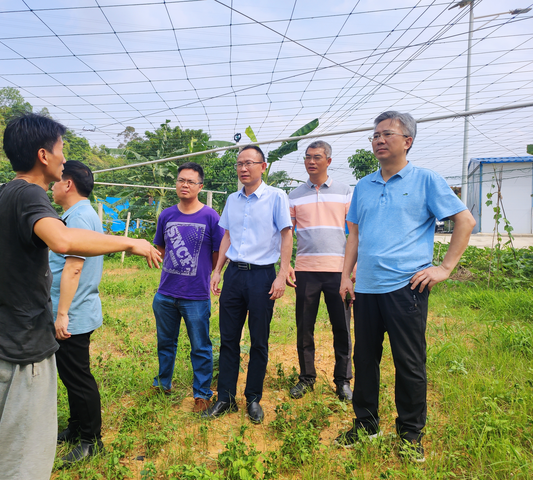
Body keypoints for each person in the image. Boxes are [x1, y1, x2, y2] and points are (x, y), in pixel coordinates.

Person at [0, 113, 161, 479]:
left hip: (4, 334)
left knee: (13, 435)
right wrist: (131, 242)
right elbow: (63, 242)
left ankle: (86, 434)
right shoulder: (30, 194)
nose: (64, 158)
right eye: (62, 149)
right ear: (44, 155)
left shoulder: (4, 193)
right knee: (24, 450)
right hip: (24, 340)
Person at [335, 111, 475, 462]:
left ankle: (411, 434)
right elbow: (353, 234)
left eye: (387, 134)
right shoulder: (364, 185)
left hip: (406, 289)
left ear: (407, 141)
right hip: (366, 288)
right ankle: (366, 425)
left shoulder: (426, 180)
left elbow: (465, 221)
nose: (379, 140)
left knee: (409, 364)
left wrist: (444, 268)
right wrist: (345, 275)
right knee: (365, 360)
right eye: (375, 135)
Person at [202, 145, 293, 424]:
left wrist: (281, 274)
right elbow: (227, 236)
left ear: (263, 166)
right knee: (229, 339)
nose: (243, 168)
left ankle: (253, 397)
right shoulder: (232, 199)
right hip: (235, 276)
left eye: (249, 163)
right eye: (240, 163)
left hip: (262, 276)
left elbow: (286, 236)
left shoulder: (277, 197)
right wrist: (218, 270)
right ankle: (225, 398)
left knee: (258, 340)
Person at [151, 162, 224, 412]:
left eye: (191, 181)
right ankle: (163, 383)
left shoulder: (211, 217)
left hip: (196, 295)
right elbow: (160, 249)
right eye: (181, 180)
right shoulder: (167, 215)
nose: (185, 185)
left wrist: (213, 274)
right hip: (165, 293)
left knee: (201, 346)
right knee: (165, 343)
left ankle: (202, 394)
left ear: (200, 187)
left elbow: (218, 252)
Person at [286, 140, 353, 402]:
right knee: (304, 326)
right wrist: (287, 264)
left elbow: (354, 232)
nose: (311, 161)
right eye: (307, 157)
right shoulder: (294, 195)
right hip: (305, 270)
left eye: (317, 157)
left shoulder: (346, 192)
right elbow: (287, 234)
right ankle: (306, 378)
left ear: (329, 161)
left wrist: (353, 267)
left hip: (339, 272)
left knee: (342, 328)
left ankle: (343, 380)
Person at [49, 160, 105, 463]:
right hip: (75, 310)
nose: (53, 186)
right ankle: (75, 427)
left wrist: (61, 314)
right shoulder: (80, 214)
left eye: (57, 180)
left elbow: (73, 267)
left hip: (73, 313)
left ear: (68, 184)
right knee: (71, 376)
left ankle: (91, 441)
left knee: (78, 378)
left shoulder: (79, 219)